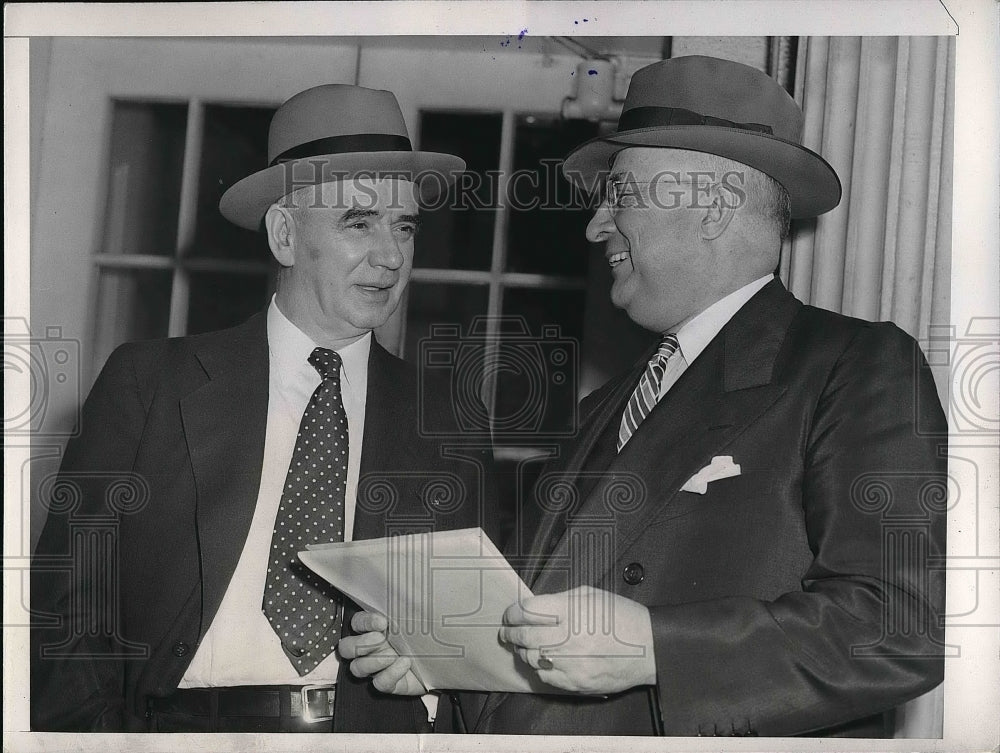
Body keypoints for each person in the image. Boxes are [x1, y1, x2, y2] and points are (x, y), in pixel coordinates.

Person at [340, 56, 948, 737]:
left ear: (714, 206)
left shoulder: (852, 366)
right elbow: (538, 643)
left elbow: (895, 627)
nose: (596, 225)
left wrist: (654, 647)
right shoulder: (605, 409)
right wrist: (447, 656)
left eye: (621, 194)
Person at [30, 84, 497, 733]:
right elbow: (68, 613)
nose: (391, 255)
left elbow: (477, 647)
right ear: (284, 234)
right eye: (359, 222)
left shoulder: (448, 418)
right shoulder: (150, 386)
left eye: (405, 226)